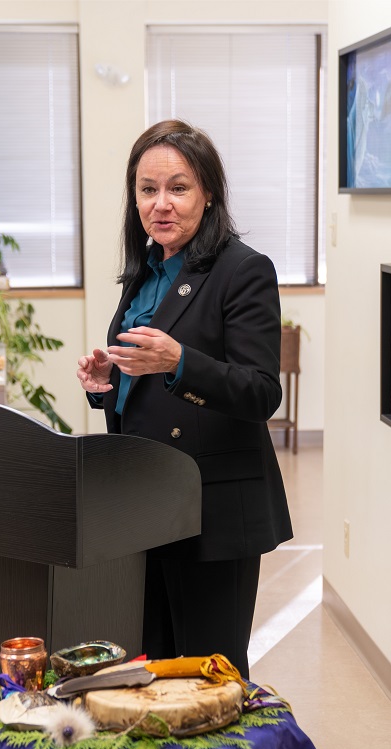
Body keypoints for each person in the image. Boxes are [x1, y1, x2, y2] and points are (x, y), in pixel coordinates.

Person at [76, 120, 292, 678]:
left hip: (211, 509)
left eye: (179, 188)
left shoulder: (243, 271)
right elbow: (146, 385)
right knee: (151, 668)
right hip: (144, 502)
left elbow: (262, 391)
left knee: (207, 677)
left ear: (209, 192)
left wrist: (180, 362)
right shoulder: (145, 271)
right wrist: (109, 384)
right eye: (148, 190)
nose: (161, 204)